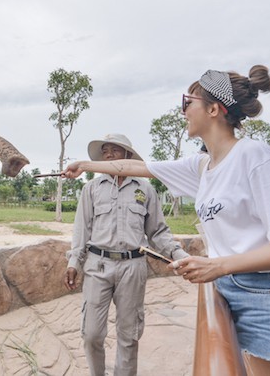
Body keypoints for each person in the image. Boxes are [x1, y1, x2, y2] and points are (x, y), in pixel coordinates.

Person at [63, 66, 270, 373]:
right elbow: (138, 167)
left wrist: (217, 265)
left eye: (187, 102)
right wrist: (85, 165)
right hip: (227, 286)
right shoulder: (203, 165)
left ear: (213, 109)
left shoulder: (257, 157)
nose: (182, 110)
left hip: (263, 290)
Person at [64, 133, 189, 376]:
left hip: (132, 268)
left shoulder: (145, 189)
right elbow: (81, 230)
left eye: (115, 150)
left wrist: (179, 254)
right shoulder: (91, 189)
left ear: (128, 156)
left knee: (129, 335)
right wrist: (73, 263)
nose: (109, 155)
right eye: (105, 151)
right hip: (97, 266)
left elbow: (158, 232)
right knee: (91, 334)